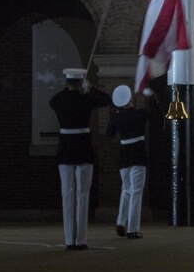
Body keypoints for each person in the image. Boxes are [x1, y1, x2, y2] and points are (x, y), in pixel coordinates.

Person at [49, 68, 111, 250]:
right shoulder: (87, 99)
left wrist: (68, 88)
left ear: (66, 82)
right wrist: (90, 88)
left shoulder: (58, 100)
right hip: (84, 148)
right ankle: (81, 240)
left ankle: (69, 240)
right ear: (80, 82)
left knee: (67, 194)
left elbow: (53, 100)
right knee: (83, 194)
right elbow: (107, 100)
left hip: (66, 149)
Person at [107, 84, 154, 239]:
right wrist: (148, 97)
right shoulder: (139, 114)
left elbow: (109, 134)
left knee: (126, 189)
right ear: (130, 100)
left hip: (124, 155)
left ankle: (121, 221)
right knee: (136, 191)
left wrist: (114, 114)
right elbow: (153, 114)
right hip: (138, 154)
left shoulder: (116, 117)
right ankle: (132, 228)